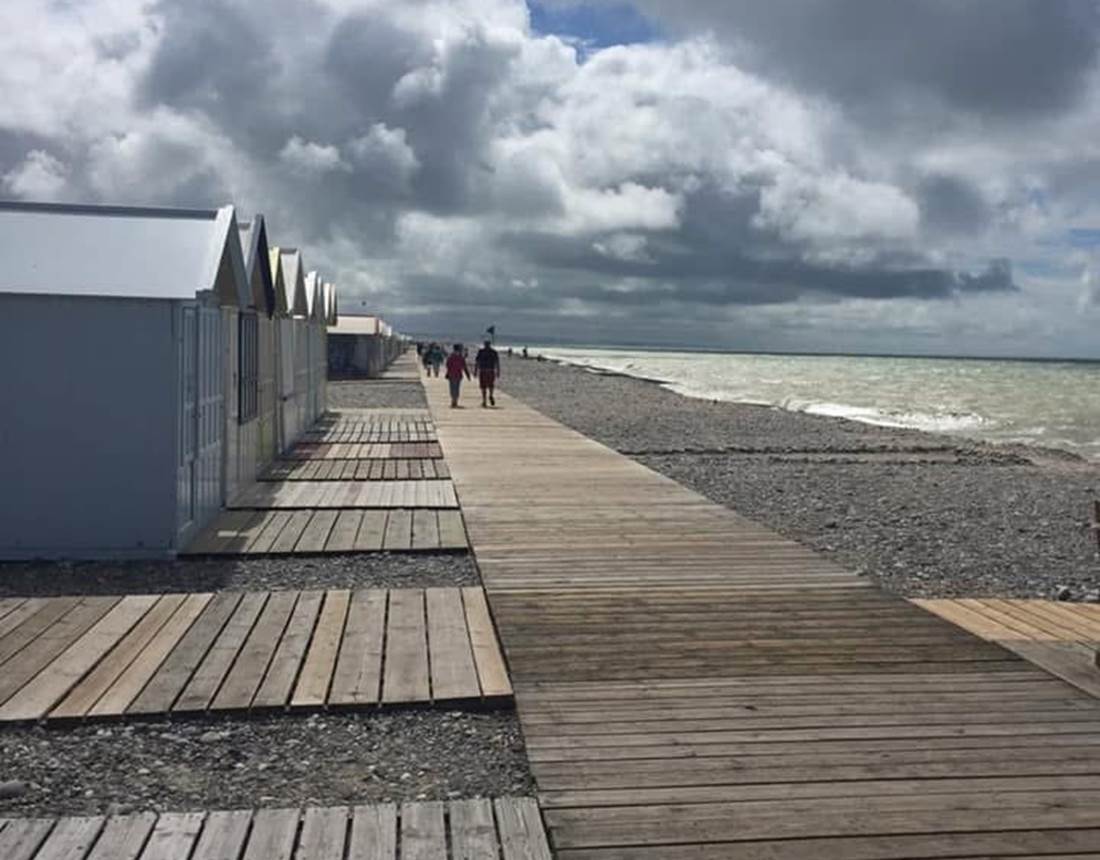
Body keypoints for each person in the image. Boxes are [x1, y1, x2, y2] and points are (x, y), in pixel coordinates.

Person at [475, 338, 500, 407]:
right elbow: (497, 363)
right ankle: (491, 395)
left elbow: (477, 362)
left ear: (484, 345)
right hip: (491, 370)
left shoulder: (481, 351)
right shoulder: (494, 352)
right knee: (491, 385)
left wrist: (475, 371)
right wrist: (498, 371)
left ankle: (484, 401)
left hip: (483, 370)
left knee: (483, 386)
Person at [445, 343, 471, 407]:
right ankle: (455, 400)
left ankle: (453, 400)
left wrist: (448, 372)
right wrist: (468, 375)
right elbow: (464, 367)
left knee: (452, 388)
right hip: (458, 375)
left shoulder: (451, 356)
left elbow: (448, 365)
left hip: (452, 374)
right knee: (457, 388)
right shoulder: (460, 357)